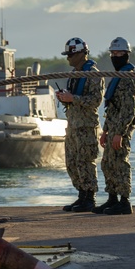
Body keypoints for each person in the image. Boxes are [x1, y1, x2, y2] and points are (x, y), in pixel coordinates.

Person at [56, 37, 103, 212]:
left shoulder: (93, 74)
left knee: (85, 162)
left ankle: (89, 197)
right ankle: (81, 195)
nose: (68, 58)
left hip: (86, 126)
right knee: (72, 163)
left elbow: (96, 100)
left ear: (82, 54)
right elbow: (74, 100)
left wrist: (72, 98)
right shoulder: (74, 75)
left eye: (71, 54)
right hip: (73, 125)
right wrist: (64, 98)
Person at [93, 37, 135, 215]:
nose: (115, 56)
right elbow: (112, 108)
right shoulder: (119, 76)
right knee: (108, 163)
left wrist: (119, 133)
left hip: (122, 128)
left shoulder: (128, 78)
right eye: (112, 53)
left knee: (120, 162)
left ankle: (124, 201)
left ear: (126, 55)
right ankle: (112, 199)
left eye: (118, 53)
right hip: (112, 127)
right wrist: (105, 131)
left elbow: (128, 109)